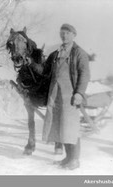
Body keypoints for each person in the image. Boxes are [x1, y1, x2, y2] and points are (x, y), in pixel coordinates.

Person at [41, 24, 90, 170]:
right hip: (56, 94)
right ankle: (68, 157)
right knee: (60, 125)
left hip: (70, 95)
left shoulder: (79, 53)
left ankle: (74, 160)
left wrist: (79, 93)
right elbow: (47, 71)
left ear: (74, 35)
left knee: (71, 127)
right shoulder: (56, 53)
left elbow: (85, 74)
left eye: (68, 33)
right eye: (62, 33)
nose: (64, 36)